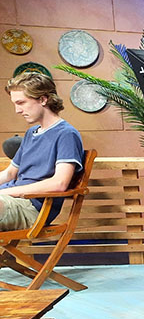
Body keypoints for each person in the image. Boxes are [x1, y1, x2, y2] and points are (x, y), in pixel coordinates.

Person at [1, 72, 84, 231]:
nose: (17, 110)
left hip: (31, 208)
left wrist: (9, 192)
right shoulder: (31, 133)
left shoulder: (66, 134)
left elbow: (59, 183)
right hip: (8, 199)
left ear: (43, 99)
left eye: (21, 103)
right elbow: (9, 174)